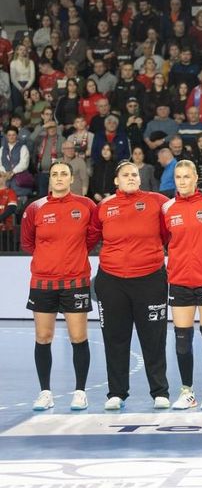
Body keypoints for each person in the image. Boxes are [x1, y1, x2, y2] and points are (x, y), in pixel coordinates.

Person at [89, 161, 171, 410]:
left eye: (135, 174)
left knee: (154, 338)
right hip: (112, 281)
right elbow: (91, 236)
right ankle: (117, 393)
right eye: (125, 175)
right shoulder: (104, 206)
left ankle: (160, 391)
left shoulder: (157, 202)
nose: (131, 177)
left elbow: (170, 232)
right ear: (116, 181)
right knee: (115, 338)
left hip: (150, 279)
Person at [21, 162, 100, 411]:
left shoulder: (86, 205)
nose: (58, 178)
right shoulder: (35, 208)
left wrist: (73, 255)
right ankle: (45, 393)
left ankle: (80, 392)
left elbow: (92, 236)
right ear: (50, 179)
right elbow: (27, 242)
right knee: (43, 337)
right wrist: (48, 259)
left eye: (63, 174)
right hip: (43, 282)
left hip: (76, 281)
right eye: (54, 174)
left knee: (78, 337)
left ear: (71, 178)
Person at [163, 160, 202, 411]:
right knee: (182, 339)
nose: (183, 181)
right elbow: (164, 239)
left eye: (187, 176)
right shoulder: (168, 208)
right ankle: (187, 392)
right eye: (178, 177)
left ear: (196, 179)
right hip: (179, 280)